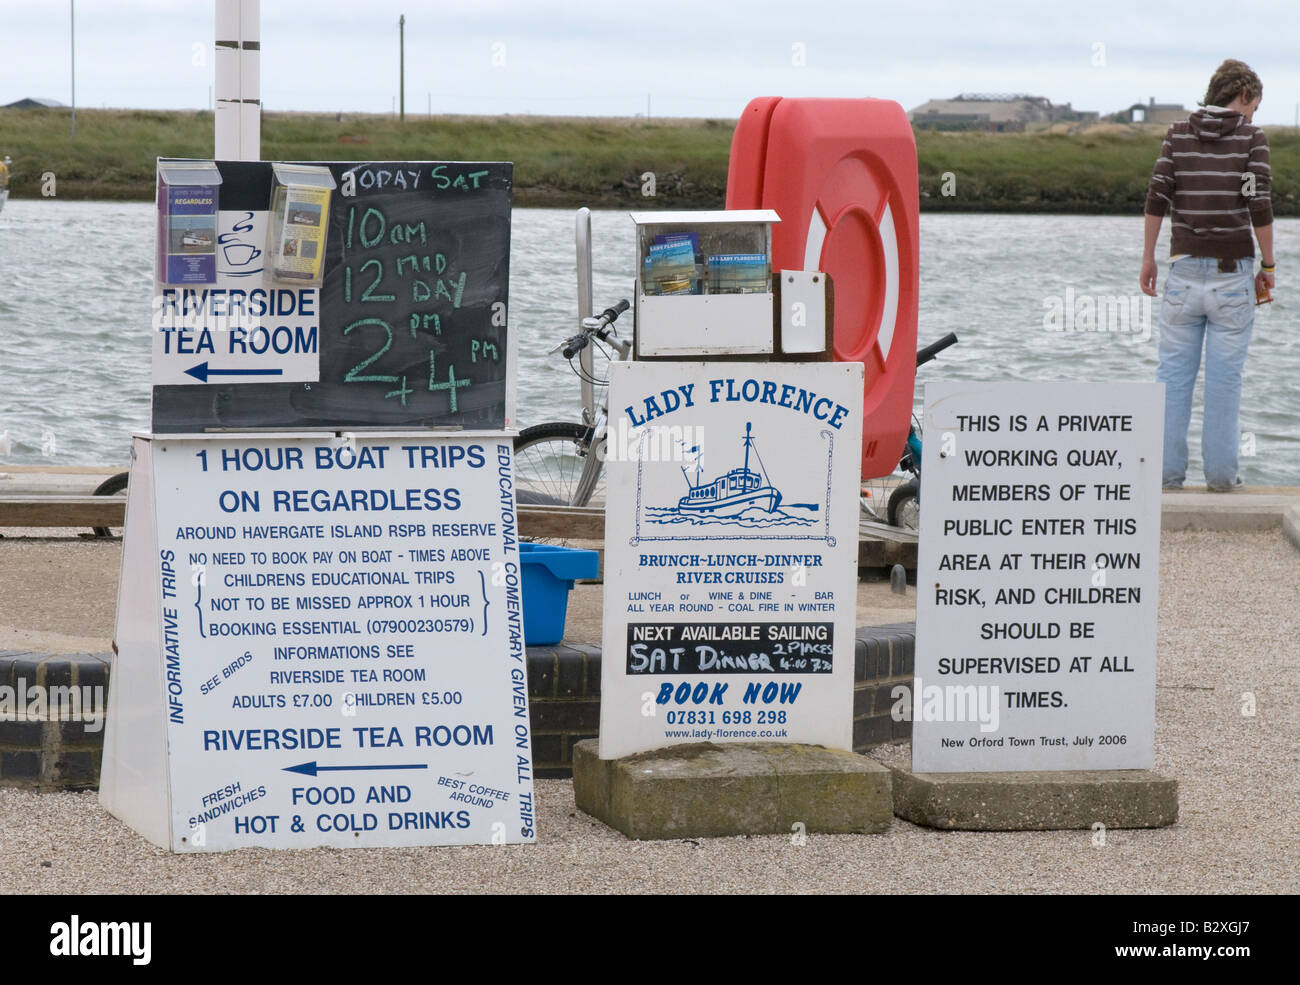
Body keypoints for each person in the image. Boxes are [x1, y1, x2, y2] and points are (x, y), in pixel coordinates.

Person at [1140, 59, 1275, 491]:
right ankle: (1220, 478)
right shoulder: (1251, 137)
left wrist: (1148, 258)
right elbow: (1259, 204)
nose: (1254, 115)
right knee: (1224, 383)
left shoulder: (1177, 134)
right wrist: (1268, 266)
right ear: (1244, 95)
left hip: (1181, 270)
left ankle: (1164, 478)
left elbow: (1157, 197)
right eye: (1254, 105)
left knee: (1171, 380)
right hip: (1232, 273)